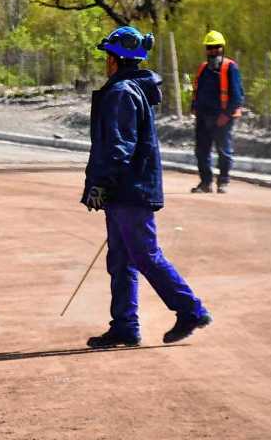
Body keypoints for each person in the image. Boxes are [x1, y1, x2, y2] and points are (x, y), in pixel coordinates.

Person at [83, 26, 212, 348]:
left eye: (107, 56)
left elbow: (119, 147)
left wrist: (102, 183)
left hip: (130, 191)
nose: (105, 62)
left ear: (115, 60)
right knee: (121, 259)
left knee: (145, 255)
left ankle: (190, 309)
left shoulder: (122, 93)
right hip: (128, 189)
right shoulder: (131, 90)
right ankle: (125, 325)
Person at [190, 30, 244, 194]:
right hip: (203, 117)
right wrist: (194, 107)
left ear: (222, 48)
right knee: (201, 151)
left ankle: (223, 182)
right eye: (210, 47)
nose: (213, 51)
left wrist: (225, 115)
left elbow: (237, 96)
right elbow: (197, 91)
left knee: (224, 150)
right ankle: (205, 183)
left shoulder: (230, 68)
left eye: (217, 47)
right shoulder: (203, 69)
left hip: (222, 119)